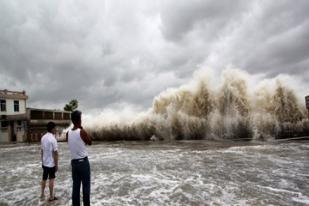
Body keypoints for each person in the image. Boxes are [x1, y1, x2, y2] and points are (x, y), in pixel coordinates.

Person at [67, 110, 92, 206]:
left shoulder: (68, 133)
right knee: (86, 186)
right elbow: (90, 142)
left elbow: (72, 143)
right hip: (83, 163)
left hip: (74, 163)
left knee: (75, 187)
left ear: (72, 121)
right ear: (80, 120)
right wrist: (82, 129)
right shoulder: (81, 131)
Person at [40, 121, 58, 202]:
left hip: (44, 162)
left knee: (44, 178)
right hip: (51, 164)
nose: (56, 129)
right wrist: (56, 165)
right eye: (55, 128)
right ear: (52, 128)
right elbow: (55, 153)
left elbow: (42, 151)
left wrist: (42, 161)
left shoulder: (43, 137)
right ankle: (51, 196)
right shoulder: (53, 139)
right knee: (51, 179)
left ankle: (42, 194)